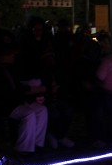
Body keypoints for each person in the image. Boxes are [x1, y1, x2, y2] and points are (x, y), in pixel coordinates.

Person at [18, 16, 75, 150]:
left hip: (49, 85)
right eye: (35, 29)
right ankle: (51, 136)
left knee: (67, 110)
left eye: (40, 29)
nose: (38, 32)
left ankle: (59, 135)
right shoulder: (26, 47)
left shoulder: (49, 46)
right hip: (36, 86)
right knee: (49, 110)